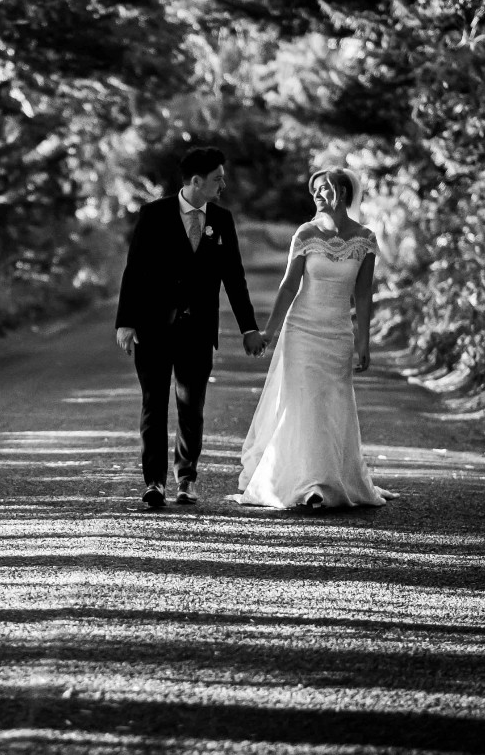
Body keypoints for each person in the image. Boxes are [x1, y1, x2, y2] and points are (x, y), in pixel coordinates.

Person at [234, 167, 399, 509]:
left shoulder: (364, 239)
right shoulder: (306, 234)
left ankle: (332, 477)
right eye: (315, 191)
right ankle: (310, 485)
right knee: (303, 404)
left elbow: (364, 295)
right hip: (302, 331)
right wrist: (270, 330)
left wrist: (364, 340)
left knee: (332, 405)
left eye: (324, 189)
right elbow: (289, 285)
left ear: (342, 192)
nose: (318, 196)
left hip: (338, 333)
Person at [116, 146, 265, 508]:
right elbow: (134, 269)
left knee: (191, 406)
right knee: (153, 405)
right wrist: (125, 322)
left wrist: (248, 328)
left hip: (198, 331)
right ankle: (153, 482)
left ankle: (186, 479)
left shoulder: (222, 220)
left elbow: (234, 278)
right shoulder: (153, 215)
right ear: (196, 181)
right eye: (217, 178)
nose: (223, 184)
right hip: (152, 328)